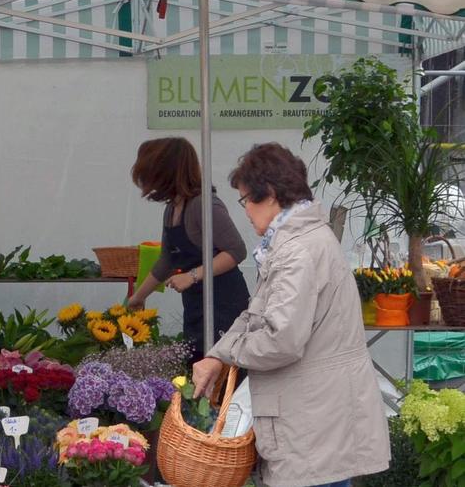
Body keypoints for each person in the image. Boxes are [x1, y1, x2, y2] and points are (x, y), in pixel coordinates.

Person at [191, 143, 389, 487]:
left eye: (245, 200)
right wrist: (218, 356)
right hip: (316, 420)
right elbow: (258, 313)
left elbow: (280, 340)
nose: (246, 212)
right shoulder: (298, 241)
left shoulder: (297, 251)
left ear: (268, 195)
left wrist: (227, 352)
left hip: (311, 426)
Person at [127, 137, 251, 361]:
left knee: (221, 371)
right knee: (196, 365)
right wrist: (138, 297)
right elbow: (166, 260)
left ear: (167, 172)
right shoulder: (171, 209)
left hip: (223, 304)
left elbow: (236, 250)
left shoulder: (203, 205)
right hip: (195, 305)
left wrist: (192, 276)